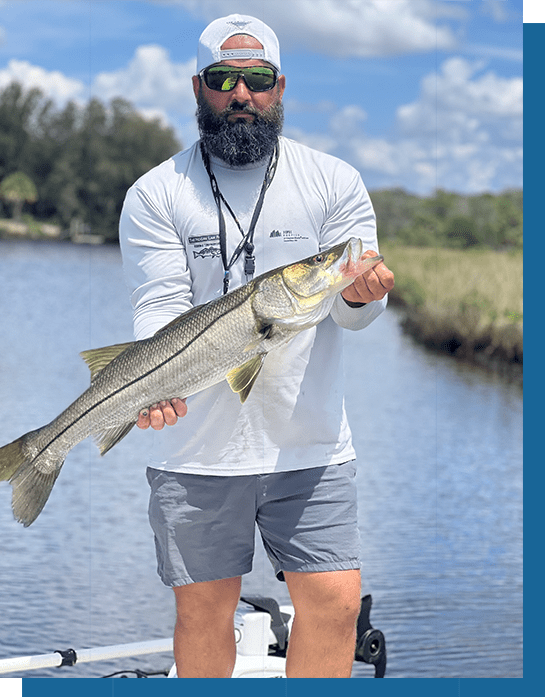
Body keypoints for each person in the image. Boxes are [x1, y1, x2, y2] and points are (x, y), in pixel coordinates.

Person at [119, 14, 394, 679]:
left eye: (257, 79)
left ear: (279, 86)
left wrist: (361, 296)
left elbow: (355, 308)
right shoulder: (157, 192)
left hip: (313, 442)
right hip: (196, 448)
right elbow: (159, 309)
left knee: (332, 602)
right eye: (223, 79)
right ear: (198, 86)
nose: (240, 93)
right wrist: (151, 388)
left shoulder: (333, 181)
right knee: (203, 611)